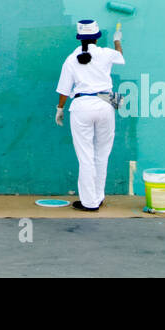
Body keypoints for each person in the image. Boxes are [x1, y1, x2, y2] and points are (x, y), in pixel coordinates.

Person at [54, 18, 125, 211]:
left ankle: (89, 201)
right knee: (102, 154)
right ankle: (98, 196)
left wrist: (60, 109)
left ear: (79, 38)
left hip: (81, 107)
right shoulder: (105, 54)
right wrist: (117, 40)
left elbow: (63, 89)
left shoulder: (70, 59)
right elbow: (120, 57)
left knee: (86, 156)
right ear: (97, 37)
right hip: (105, 104)